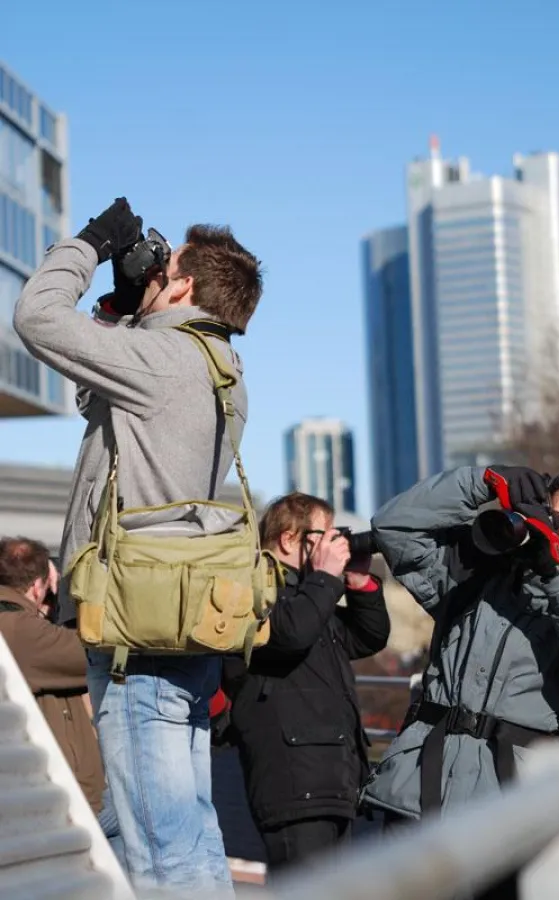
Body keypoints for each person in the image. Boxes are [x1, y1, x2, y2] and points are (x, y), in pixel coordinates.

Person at [13, 199, 263, 894]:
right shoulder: (218, 366)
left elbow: (36, 317)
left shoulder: (162, 359)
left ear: (185, 287)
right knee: (191, 830)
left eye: (164, 264)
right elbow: (98, 401)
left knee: (159, 847)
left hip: (135, 628)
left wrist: (92, 244)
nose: (151, 266)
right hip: (186, 618)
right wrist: (124, 308)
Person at [362, 466, 559, 832]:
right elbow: (392, 528)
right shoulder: (479, 566)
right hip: (419, 793)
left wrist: (556, 576)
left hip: (514, 811)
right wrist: (481, 481)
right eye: (558, 523)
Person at [223, 492, 391, 872]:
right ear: (288, 539)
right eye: (323, 535)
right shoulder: (252, 592)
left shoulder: (310, 596)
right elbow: (291, 634)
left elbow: (368, 637)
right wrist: (326, 579)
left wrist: (358, 583)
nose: (334, 543)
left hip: (333, 781)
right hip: (293, 786)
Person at [0, 536, 122, 860]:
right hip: (67, 802)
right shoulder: (20, 630)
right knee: (139, 821)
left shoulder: (20, 625)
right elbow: (95, 652)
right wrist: (66, 599)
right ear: (38, 586)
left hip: (40, 795)